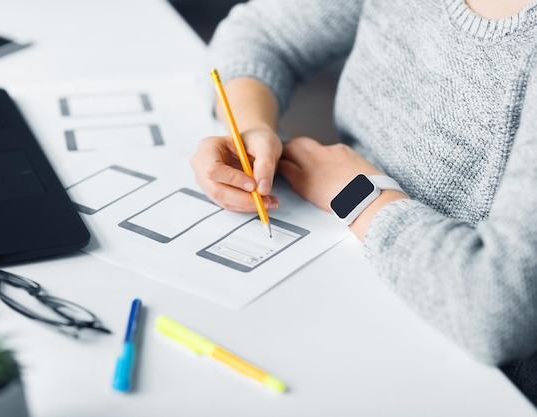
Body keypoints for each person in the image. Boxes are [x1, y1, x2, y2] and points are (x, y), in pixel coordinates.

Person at [190, 0, 537, 404]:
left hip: (479, 382)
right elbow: (260, 33)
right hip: (349, 278)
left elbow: (497, 311)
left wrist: (357, 194)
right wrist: (250, 128)